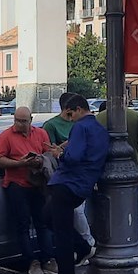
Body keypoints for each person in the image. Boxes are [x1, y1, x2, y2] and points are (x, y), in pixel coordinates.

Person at [46, 94, 110, 274]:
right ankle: (82, 246)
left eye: (70, 113)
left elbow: (73, 158)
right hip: (83, 184)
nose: (69, 118)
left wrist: (59, 154)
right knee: (48, 217)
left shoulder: (80, 127)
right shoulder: (100, 129)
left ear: (79, 109)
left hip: (67, 183)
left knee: (61, 232)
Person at [0, 107, 56, 274]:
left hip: (37, 183)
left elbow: (48, 154)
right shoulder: (6, 136)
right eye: (16, 120)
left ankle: (48, 259)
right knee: (22, 225)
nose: (19, 124)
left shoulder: (41, 133)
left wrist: (40, 160)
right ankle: (31, 261)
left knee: (42, 222)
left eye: (23, 121)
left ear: (30, 120)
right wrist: (19, 163)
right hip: (17, 184)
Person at [45, 92, 96, 251]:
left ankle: (85, 245)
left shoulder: (81, 124)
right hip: (64, 172)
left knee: (77, 212)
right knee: (73, 212)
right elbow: (51, 150)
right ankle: (86, 244)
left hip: (80, 172)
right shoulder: (51, 125)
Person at [97, 100, 138, 248]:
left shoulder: (98, 118)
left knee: (108, 213)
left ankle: (107, 244)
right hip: (134, 170)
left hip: (104, 171)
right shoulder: (134, 116)